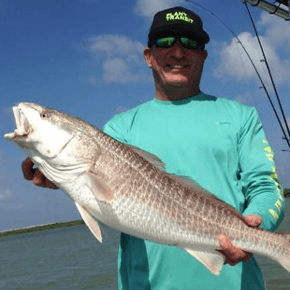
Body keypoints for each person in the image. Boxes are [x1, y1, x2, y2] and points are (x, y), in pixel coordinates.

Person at [22, 6, 284, 290]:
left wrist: (258, 226)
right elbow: (105, 199)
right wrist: (62, 179)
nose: (178, 52)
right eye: (164, 42)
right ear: (148, 56)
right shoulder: (119, 129)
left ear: (203, 56)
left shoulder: (242, 117)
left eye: (191, 43)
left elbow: (266, 187)